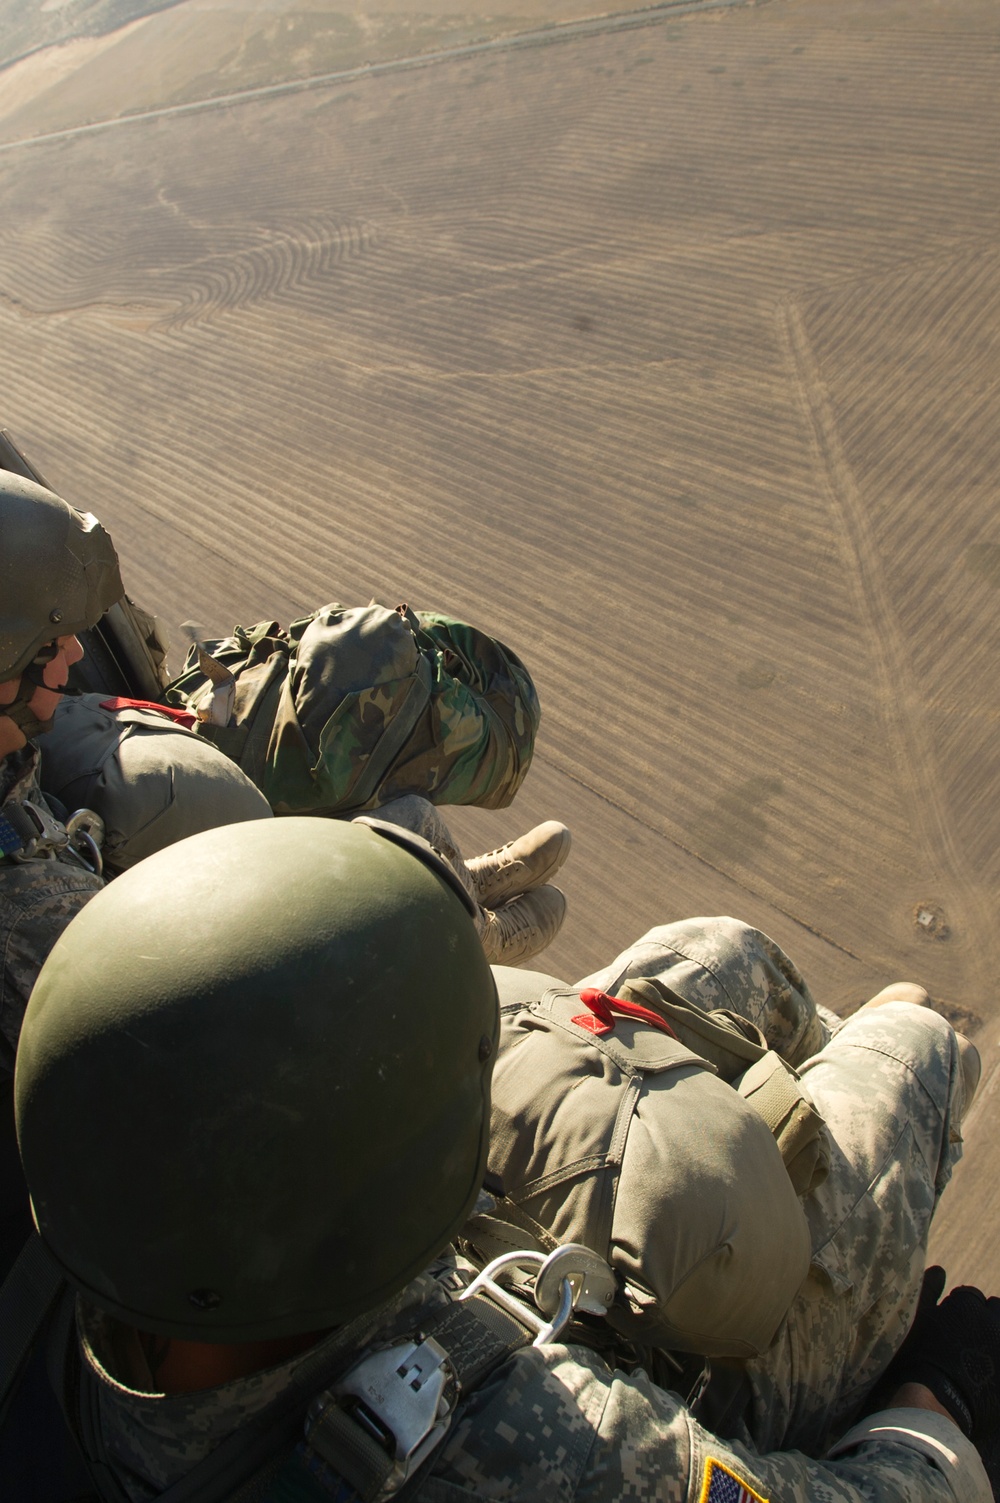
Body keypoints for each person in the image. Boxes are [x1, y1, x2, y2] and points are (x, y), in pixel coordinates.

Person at [4, 818, 994, 1503]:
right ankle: (866, 1069)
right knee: (907, 1046)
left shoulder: (99, 1219)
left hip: (426, 1296)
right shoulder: (538, 1456)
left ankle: (805, 1065)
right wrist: (930, 1409)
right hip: (633, 1365)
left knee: (710, 955)